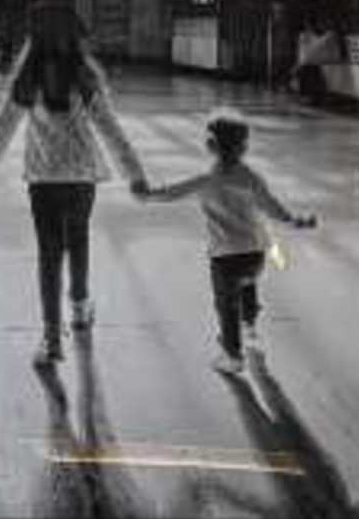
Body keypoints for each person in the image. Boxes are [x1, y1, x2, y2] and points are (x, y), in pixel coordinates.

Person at [0, 0, 148, 368]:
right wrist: (135, 175)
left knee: (48, 254)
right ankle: (79, 307)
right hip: (81, 177)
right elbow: (112, 131)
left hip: (43, 179)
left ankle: (51, 336)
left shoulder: (27, 82)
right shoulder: (84, 79)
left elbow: (0, 134)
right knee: (77, 241)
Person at [137, 109, 322, 363]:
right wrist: (296, 221)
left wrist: (147, 195)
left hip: (224, 256)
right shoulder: (251, 179)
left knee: (226, 305)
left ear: (210, 146)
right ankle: (250, 326)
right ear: (244, 147)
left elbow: (171, 192)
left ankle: (232, 354)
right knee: (248, 285)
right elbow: (273, 208)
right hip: (255, 253)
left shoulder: (205, 181)